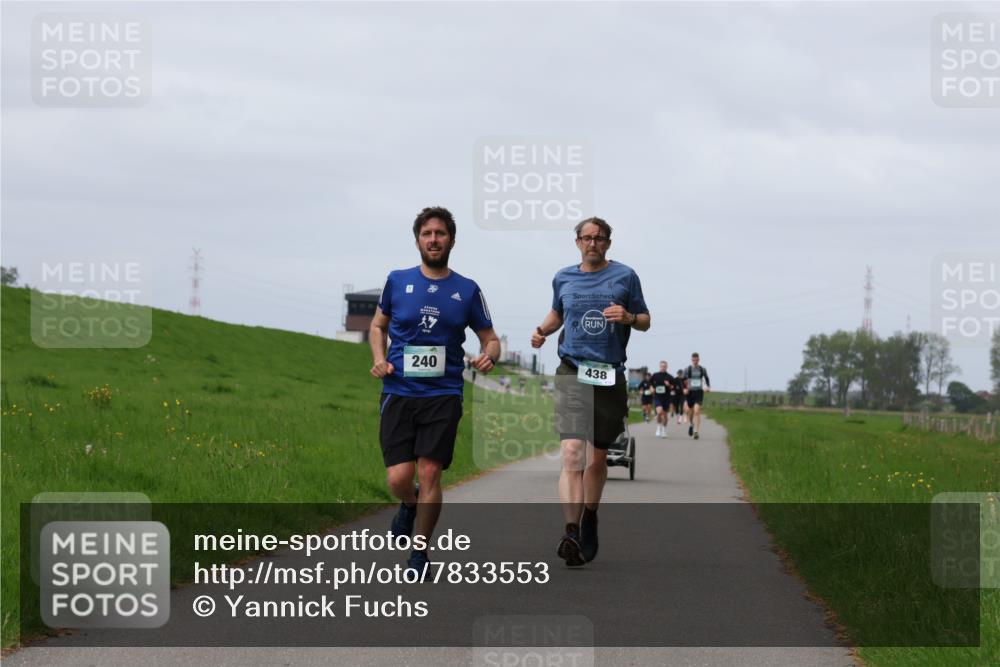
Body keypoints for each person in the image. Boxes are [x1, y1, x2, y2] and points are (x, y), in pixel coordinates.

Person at [369, 206, 500, 575]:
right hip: (399, 389)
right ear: (417, 241)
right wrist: (379, 358)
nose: (433, 239)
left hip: (443, 393)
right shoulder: (397, 280)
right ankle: (408, 505)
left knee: (429, 473)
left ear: (452, 240)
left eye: (440, 233)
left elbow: (490, 339)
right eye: (427, 234)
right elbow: (378, 326)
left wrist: (489, 356)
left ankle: (419, 553)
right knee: (398, 478)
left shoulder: (467, 289)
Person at [531, 216, 650, 566]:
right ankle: (570, 530)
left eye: (599, 238)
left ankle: (590, 516)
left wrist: (628, 317)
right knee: (571, 452)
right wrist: (542, 331)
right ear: (577, 242)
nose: (593, 243)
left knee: (598, 458)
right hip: (572, 368)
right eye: (586, 238)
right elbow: (557, 313)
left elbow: (645, 320)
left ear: (608, 243)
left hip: (609, 373)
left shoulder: (625, 276)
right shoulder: (563, 277)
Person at [682, 352, 711, 439]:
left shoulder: (702, 369)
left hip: (699, 392)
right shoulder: (687, 369)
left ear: (699, 360)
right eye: (693, 360)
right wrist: (684, 388)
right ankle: (691, 424)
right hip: (690, 392)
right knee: (690, 411)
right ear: (692, 360)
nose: (695, 361)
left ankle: (696, 431)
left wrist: (708, 387)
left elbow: (706, 378)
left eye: (696, 359)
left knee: (697, 411)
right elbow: (682, 380)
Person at [649, 360, 674, 438]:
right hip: (657, 397)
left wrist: (669, 385)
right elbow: (650, 383)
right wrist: (651, 388)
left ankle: (663, 429)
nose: (663, 367)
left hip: (666, 398)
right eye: (661, 366)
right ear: (660, 367)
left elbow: (673, 387)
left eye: (664, 366)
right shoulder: (655, 375)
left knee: (665, 416)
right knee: (659, 412)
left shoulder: (670, 377)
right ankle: (658, 427)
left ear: (666, 367)